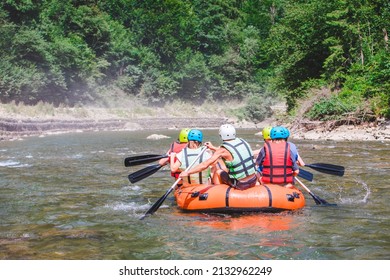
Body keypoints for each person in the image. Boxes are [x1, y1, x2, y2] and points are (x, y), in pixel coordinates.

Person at [180, 124, 257, 190]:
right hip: (253, 180)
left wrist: (188, 172)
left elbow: (205, 164)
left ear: (221, 135)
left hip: (241, 184)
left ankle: (217, 192)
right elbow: (232, 152)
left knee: (218, 172)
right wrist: (213, 148)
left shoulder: (223, 150)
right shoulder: (243, 141)